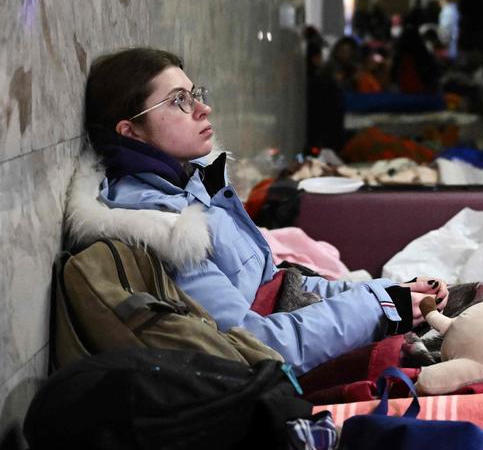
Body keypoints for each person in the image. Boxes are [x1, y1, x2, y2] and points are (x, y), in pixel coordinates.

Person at [78, 47, 449, 375]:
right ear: (131, 132)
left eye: (195, 95)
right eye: (179, 101)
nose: (203, 108)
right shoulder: (165, 228)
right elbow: (253, 345)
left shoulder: (192, 186)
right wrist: (376, 308)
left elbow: (275, 285)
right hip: (280, 375)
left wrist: (384, 293)